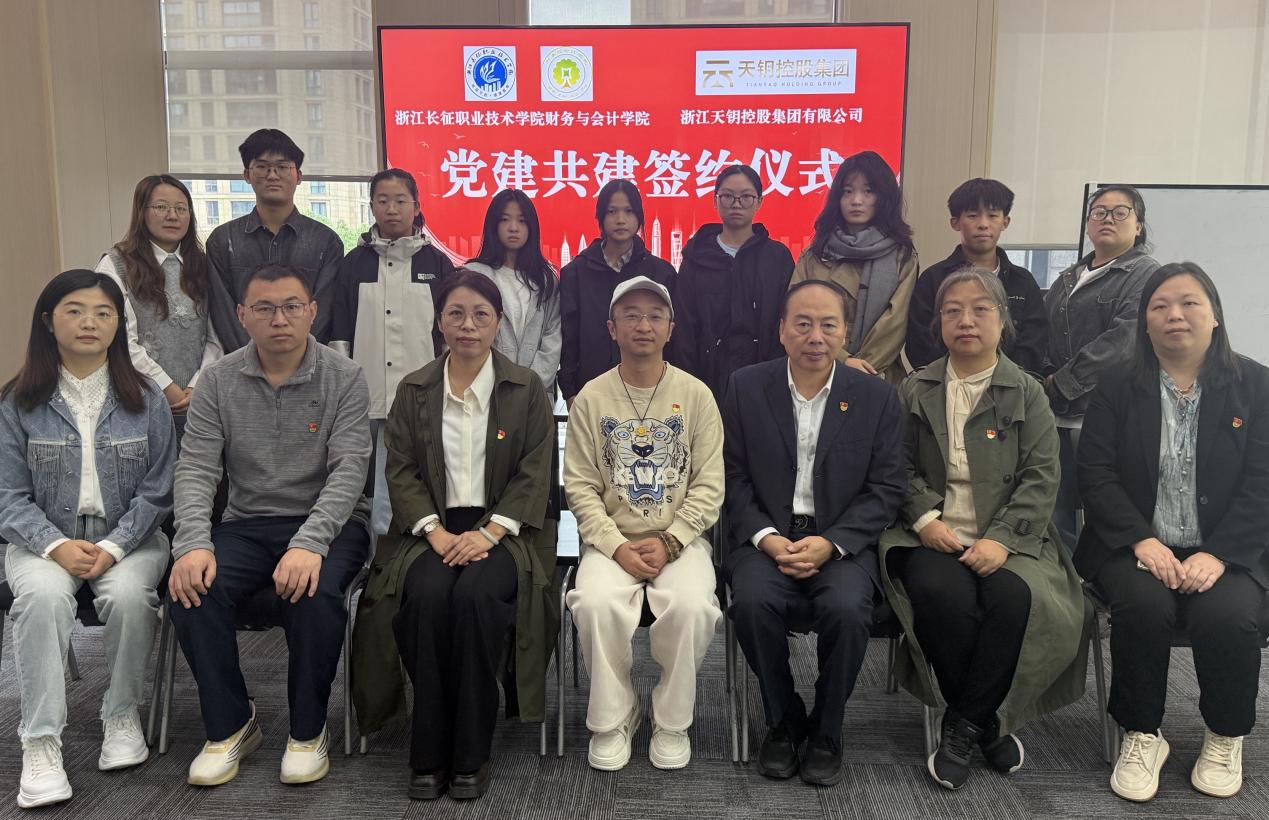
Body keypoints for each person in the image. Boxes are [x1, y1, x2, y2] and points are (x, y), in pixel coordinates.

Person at [350, 271, 557, 801]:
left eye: (481, 315)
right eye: (456, 314)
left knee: (475, 599)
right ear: (439, 322)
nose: (468, 325)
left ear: (498, 323)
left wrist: (490, 532)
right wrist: (435, 532)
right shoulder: (414, 388)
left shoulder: (525, 388)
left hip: (505, 531)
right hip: (431, 530)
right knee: (425, 597)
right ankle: (429, 747)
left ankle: (471, 748)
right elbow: (400, 470)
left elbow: (535, 471)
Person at [879, 269, 1086, 791]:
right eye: (952, 310)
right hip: (930, 535)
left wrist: (1001, 539)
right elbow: (895, 466)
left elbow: (1042, 477)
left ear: (1003, 320)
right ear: (938, 323)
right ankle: (988, 725)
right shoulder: (915, 388)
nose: (966, 320)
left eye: (980, 309)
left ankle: (964, 726)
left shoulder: (1028, 391)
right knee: (941, 595)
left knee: (1012, 601)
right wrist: (925, 519)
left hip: (1012, 537)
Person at [167, 263, 371, 787]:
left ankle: (308, 730)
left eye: (291, 307)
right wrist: (191, 543)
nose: (279, 319)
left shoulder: (345, 376)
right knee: (192, 588)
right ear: (242, 315)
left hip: (330, 523)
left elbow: (349, 471)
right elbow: (196, 468)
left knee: (315, 592)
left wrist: (310, 543)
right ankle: (231, 724)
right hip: (247, 523)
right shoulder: (218, 380)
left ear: (312, 312)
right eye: (264, 308)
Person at [1076, 262, 1269, 803]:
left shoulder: (1257, 385)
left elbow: (1263, 481)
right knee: (1142, 604)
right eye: (1159, 306)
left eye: (1189, 303)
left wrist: (1220, 553)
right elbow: (1096, 473)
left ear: (1215, 315)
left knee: (1227, 614)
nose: (1174, 315)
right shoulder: (1117, 385)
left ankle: (1225, 734)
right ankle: (1142, 733)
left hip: (1229, 548)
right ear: (1144, 321)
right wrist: (1141, 539)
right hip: (1133, 543)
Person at [0, 270, 176, 809]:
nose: (89, 323)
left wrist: (115, 547)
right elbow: (8, 496)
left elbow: (160, 490)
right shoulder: (18, 401)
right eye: (74, 310)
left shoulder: (146, 397)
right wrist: (55, 545)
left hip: (132, 538)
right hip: (42, 541)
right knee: (42, 597)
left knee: (128, 596)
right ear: (47, 321)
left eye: (103, 313)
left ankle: (121, 714)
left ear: (118, 325)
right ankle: (40, 742)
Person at [722, 279, 904, 786]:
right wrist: (765, 536)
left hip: (841, 542)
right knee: (752, 603)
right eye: (802, 323)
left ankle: (827, 726)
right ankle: (783, 719)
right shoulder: (745, 386)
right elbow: (730, 475)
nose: (815, 336)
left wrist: (832, 543)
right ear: (781, 330)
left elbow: (887, 488)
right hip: (768, 537)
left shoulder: (876, 397)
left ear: (845, 332)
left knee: (846, 609)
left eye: (828, 324)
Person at [564, 276, 723, 772]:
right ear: (612, 328)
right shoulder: (591, 398)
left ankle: (672, 721)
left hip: (681, 541)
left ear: (671, 329)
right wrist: (615, 546)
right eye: (631, 315)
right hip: (611, 543)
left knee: (693, 606)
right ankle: (616, 716)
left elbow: (710, 483)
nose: (643, 325)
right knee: (593, 602)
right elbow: (580, 486)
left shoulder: (696, 396)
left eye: (655, 316)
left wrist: (673, 541)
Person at [330, 168, 454, 535]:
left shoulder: (437, 264)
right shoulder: (354, 263)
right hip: (366, 395)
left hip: (424, 397)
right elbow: (341, 329)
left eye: (401, 200)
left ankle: (418, 549)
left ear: (417, 206)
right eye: (382, 200)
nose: (391, 208)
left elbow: (447, 336)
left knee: (420, 480)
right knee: (367, 483)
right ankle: (374, 555)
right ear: (371, 206)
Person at [1044, 185, 1159, 551]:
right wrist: (1041, 384)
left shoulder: (1146, 274)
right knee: (1054, 510)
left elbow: (1124, 341)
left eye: (1120, 212)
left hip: (1105, 412)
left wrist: (1061, 383)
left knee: (1106, 506)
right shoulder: (1069, 276)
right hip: (1054, 414)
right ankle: (1065, 579)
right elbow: (1045, 334)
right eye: (1099, 212)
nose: (1108, 218)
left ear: (1138, 225)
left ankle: (1106, 580)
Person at [94, 175, 222, 427]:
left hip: (199, 401)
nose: (172, 216)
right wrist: (166, 386)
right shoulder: (116, 264)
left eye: (181, 208)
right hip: (136, 400)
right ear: (141, 212)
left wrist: (198, 385)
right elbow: (118, 337)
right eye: (161, 207)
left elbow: (216, 336)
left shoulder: (203, 265)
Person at [204, 128, 345, 352]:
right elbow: (224, 315)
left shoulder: (326, 242)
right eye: (262, 167)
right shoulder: (222, 241)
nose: (272, 175)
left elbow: (322, 312)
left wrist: (292, 357)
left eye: (282, 167)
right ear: (247, 175)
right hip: (242, 367)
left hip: (308, 366)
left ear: (299, 176)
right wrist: (254, 359)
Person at [789, 150, 919, 383]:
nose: (856, 200)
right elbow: (796, 314)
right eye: (848, 191)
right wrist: (842, 360)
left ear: (884, 197)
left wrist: (863, 366)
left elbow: (896, 321)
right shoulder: (815, 253)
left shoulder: (901, 255)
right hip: (817, 369)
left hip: (878, 375)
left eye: (868, 191)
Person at [674, 164, 794, 397]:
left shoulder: (777, 257)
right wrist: (689, 384)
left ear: (759, 202)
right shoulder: (697, 257)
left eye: (746, 197)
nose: (737, 204)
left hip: (767, 378)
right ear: (715, 200)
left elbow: (786, 320)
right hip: (706, 381)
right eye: (728, 196)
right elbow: (684, 326)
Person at [904, 178, 1046, 374]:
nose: (983, 224)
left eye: (993, 215)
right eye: (973, 215)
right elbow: (919, 344)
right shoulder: (933, 279)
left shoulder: (1023, 282)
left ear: (1005, 222)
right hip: (944, 385)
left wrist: (999, 380)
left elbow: (1034, 345)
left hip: (1011, 386)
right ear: (955, 222)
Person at [558, 179, 676, 404]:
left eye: (628, 211)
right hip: (590, 389)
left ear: (639, 217)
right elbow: (568, 334)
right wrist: (570, 391)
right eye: (612, 211)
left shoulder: (661, 273)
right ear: (601, 217)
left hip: (649, 390)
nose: (620, 219)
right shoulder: (576, 272)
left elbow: (672, 338)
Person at [465, 188, 562, 395]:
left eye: (522, 221)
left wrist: (529, 385)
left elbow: (553, 336)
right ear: (493, 225)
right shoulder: (472, 275)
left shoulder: (546, 279)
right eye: (504, 219)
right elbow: (464, 333)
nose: (513, 228)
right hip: (484, 391)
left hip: (535, 393)